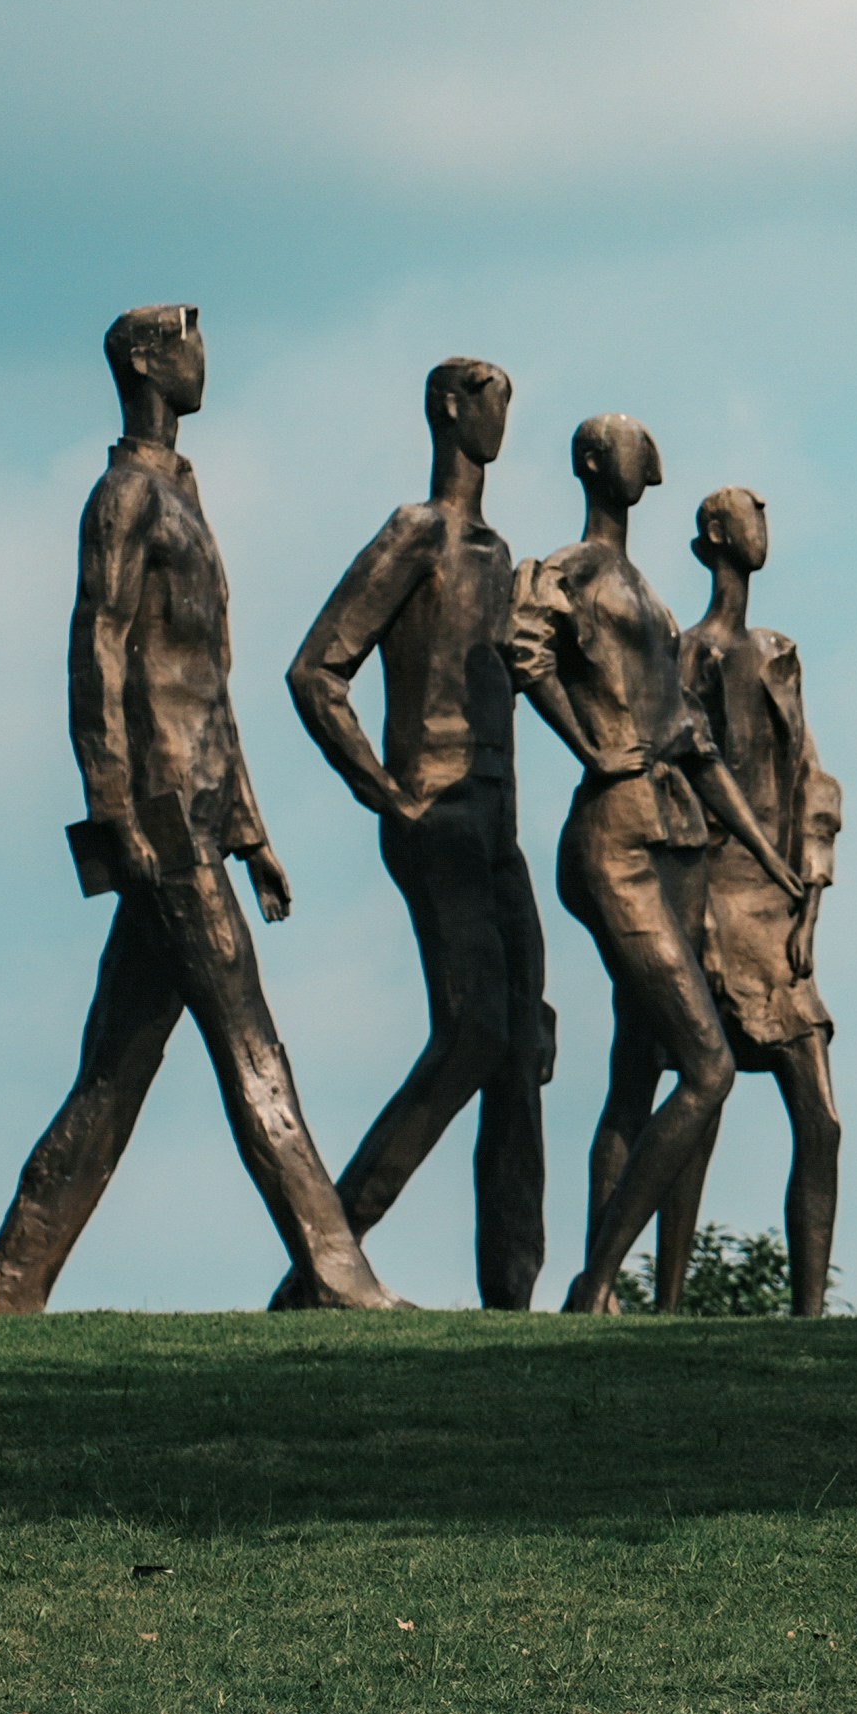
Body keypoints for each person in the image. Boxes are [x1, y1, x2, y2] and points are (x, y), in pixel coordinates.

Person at [0, 304, 402, 1315]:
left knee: (112, 1075)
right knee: (251, 1039)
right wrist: (112, 802)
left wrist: (251, 830)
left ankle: (10, 1290)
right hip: (161, 818)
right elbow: (96, 651)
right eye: (187, 341)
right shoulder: (122, 496)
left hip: (203, 812)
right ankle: (337, 1272)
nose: (203, 357)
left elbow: (211, 682)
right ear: (142, 360)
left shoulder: (180, 497)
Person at [279, 354, 556, 1309]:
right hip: (435, 812)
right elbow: (317, 670)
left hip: (500, 827)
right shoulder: (416, 533)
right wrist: (388, 793)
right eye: (491, 399)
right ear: (449, 408)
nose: (503, 418)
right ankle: (329, 1258)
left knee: (522, 1050)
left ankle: (512, 1310)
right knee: (476, 1030)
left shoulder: (499, 553)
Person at [505, 413, 796, 1315]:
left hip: (672, 837)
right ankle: (596, 1286)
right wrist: (592, 745)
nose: (646, 452)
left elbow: (696, 746)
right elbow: (522, 648)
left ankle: (612, 1299)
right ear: (595, 463)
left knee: (638, 1071)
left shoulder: (648, 594)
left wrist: (770, 860)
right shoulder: (576, 570)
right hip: (616, 840)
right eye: (627, 441)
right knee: (706, 1067)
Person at [645, 484, 844, 1318]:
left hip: (779, 899)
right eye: (744, 514)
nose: (763, 520)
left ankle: (806, 1318)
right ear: (715, 539)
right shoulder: (686, 655)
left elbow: (811, 779)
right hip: (713, 895)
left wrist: (813, 884)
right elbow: (674, 774)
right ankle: (667, 1302)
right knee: (706, 1090)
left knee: (820, 1121)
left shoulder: (779, 653)